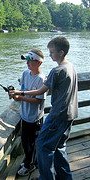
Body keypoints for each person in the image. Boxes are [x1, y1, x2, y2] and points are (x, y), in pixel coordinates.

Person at [10, 36, 78, 180]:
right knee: (59, 147)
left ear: (61, 52)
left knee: (42, 145)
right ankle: (65, 178)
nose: (50, 55)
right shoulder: (70, 66)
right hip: (71, 114)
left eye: (52, 52)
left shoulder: (57, 71)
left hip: (58, 115)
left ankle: (46, 178)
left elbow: (40, 91)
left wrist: (20, 92)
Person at [9, 49, 47, 176]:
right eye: (27, 61)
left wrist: (20, 97)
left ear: (39, 63)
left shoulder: (41, 79)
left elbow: (38, 101)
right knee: (25, 142)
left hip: (35, 119)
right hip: (24, 116)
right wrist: (15, 95)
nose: (27, 63)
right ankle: (28, 161)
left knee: (32, 144)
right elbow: (22, 90)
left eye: (30, 61)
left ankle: (29, 165)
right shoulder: (25, 73)